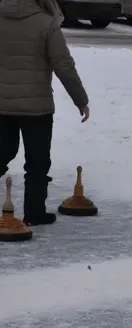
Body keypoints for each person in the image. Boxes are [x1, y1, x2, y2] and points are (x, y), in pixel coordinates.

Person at [0, 0, 90, 226]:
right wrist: (80, 99)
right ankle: (35, 212)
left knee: (1, 153)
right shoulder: (46, 23)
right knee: (37, 162)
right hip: (37, 108)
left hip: (2, 105)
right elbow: (64, 65)